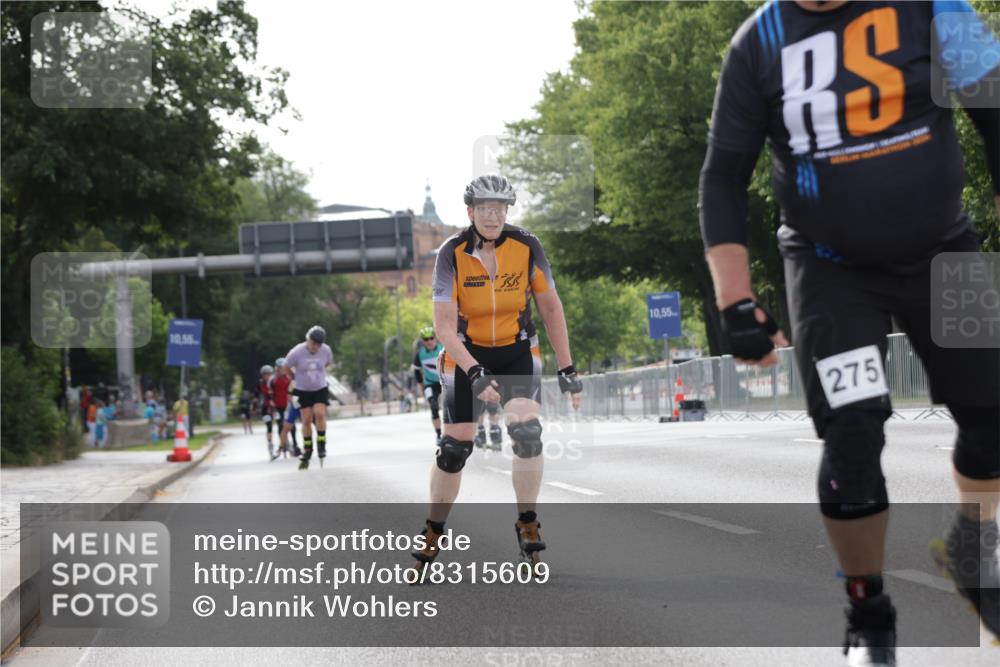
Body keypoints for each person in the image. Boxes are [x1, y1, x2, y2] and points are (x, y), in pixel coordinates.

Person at [699, 1, 1000, 663]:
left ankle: (974, 548)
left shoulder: (936, 9)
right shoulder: (758, 44)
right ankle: (870, 611)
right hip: (832, 269)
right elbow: (723, 174)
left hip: (943, 254)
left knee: (992, 421)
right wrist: (734, 300)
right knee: (853, 437)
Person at [412, 174, 583, 574]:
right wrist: (474, 372)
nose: (493, 216)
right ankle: (434, 529)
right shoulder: (449, 253)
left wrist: (567, 365)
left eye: (500, 209)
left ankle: (527, 522)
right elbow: (443, 328)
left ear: (507, 211)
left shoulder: (527, 246)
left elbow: (551, 307)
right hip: (464, 352)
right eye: (485, 209)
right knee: (455, 449)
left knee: (526, 432)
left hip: (517, 350)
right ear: (470, 212)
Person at [284, 325, 334, 470]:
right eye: (313, 343)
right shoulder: (297, 352)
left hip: (319, 387)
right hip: (302, 389)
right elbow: (287, 366)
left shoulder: (326, 350)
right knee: (306, 419)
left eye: (318, 344)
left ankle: (321, 443)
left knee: (319, 414)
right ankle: (308, 448)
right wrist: (293, 376)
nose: (315, 346)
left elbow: (327, 362)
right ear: (308, 339)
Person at [413, 325, 445, 443]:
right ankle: (438, 435)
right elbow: (416, 371)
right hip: (430, 384)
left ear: (435, 338)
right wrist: (421, 386)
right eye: (426, 339)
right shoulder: (419, 354)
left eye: (431, 338)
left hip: (445, 382)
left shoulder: (443, 349)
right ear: (423, 341)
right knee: (434, 406)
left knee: (453, 406)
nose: (429, 341)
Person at [257, 365, 276, 457]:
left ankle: (286, 443)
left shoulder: (274, 382)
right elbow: (257, 396)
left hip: (275, 407)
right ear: (262, 375)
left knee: (282, 424)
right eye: (266, 375)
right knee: (269, 425)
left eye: (269, 374)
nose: (268, 376)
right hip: (265, 408)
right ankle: (270, 444)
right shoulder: (260, 384)